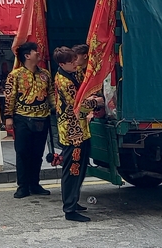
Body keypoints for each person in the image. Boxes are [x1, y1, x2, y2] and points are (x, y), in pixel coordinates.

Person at [53, 46, 102, 222]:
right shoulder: (65, 82)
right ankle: (70, 208)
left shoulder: (69, 73)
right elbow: (79, 105)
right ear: (62, 64)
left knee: (79, 170)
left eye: (75, 59)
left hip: (79, 129)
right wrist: (97, 102)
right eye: (71, 61)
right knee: (72, 170)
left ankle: (73, 201)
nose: (75, 63)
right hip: (72, 132)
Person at [4, 41, 52, 199]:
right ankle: (22, 186)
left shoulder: (45, 74)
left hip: (42, 118)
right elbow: (10, 97)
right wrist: (8, 117)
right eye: (35, 51)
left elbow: (51, 95)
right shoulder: (15, 75)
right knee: (22, 152)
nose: (38, 53)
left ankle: (34, 183)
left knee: (37, 153)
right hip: (22, 118)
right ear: (27, 55)